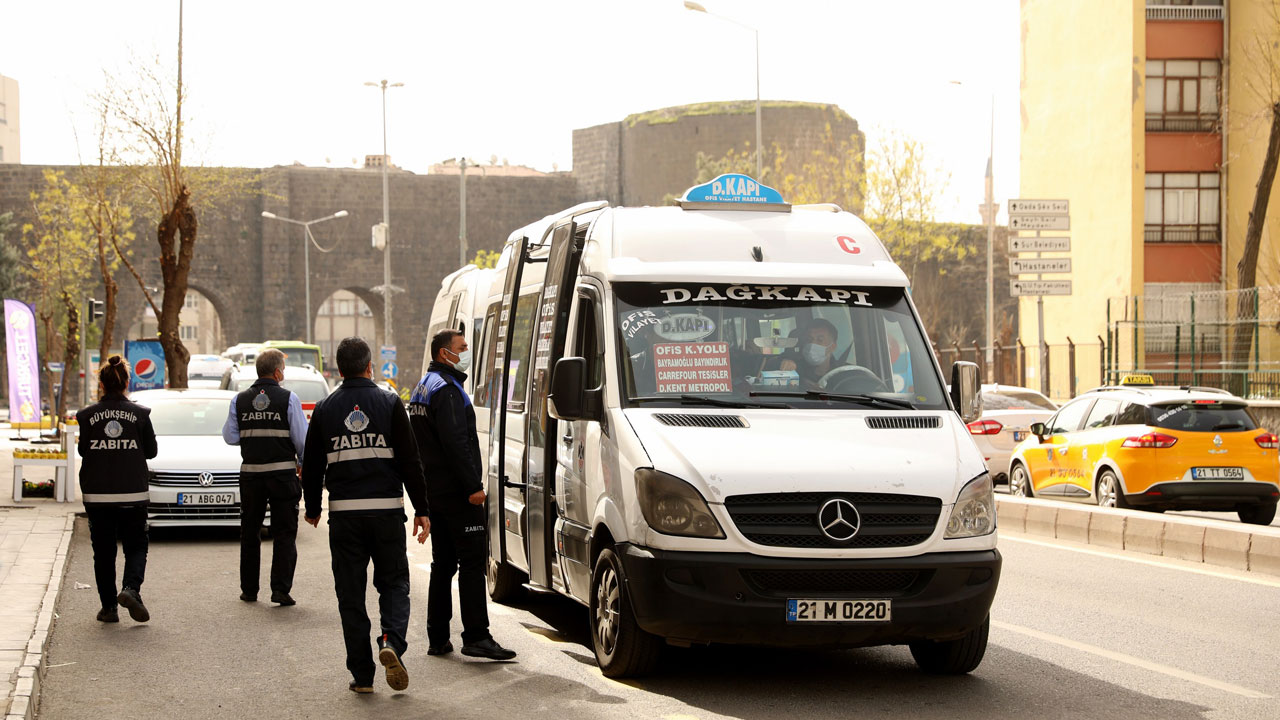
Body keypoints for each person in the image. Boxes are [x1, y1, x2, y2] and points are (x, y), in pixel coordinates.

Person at [301, 337, 430, 694]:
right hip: (387, 514)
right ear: (370, 366)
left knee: (350, 595)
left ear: (339, 370)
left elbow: (311, 466)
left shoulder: (326, 408)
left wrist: (312, 508)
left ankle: (362, 676)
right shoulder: (389, 403)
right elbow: (410, 461)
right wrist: (422, 509)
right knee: (393, 584)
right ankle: (390, 640)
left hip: (344, 517)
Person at [408, 329, 517, 661]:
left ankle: (438, 636)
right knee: (471, 562)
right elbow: (456, 444)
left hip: (434, 491)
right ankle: (476, 636)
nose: (467, 352)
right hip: (457, 494)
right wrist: (473, 487)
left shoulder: (422, 387)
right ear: (445, 354)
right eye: (462, 348)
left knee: (443, 563)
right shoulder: (448, 390)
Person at [75, 356, 158, 624]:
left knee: (104, 551)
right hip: (132, 493)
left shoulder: (86, 416)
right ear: (126, 382)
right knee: (135, 546)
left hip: (97, 495)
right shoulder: (141, 415)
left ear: (101, 383)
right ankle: (131, 589)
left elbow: (83, 449)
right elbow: (152, 451)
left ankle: (109, 607)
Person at [222, 348, 308, 605]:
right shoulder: (289, 399)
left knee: (250, 532)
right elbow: (301, 438)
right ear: (278, 372)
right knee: (284, 532)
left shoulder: (239, 400)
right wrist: (302, 462)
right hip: (282, 476)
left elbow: (230, 436)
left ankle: (249, 590)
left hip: (251, 477)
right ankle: (280, 589)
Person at [780, 318, 848, 389]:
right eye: (809, 339)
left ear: (832, 347)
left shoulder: (842, 374)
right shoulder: (796, 368)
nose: (813, 343)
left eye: (820, 340)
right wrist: (786, 362)